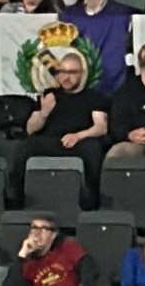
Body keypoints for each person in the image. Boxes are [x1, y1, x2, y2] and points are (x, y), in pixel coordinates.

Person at [11, 55, 108, 211]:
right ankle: (17, 200)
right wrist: (44, 112)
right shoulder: (50, 95)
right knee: (24, 147)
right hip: (50, 141)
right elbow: (30, 129)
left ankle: (92, 202)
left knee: (93, 148)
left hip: (79, 142)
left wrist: (78, 136)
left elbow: (101, 127)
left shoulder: (94, 98)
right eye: (62, 72)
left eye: (72, 72)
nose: (66, 77)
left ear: (82, 73)